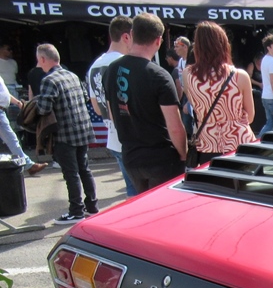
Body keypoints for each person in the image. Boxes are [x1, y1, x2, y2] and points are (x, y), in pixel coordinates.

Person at [105, 13, 187, 194]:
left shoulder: (111, 69)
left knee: (142, 205)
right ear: (158, 41)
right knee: (164, 208)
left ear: (132, 34)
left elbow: (112, 113)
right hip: (161, 159)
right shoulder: (159, 75)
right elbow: (175, 126)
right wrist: (183, 154)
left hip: (130, 156)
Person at [35, 44, 98, 225]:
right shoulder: (72, 75)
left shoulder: (49, 80)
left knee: (71, 173)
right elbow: (85, 97)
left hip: (64, 133)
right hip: (82, 130)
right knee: (84, 169)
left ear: (43, 59)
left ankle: (76, 211)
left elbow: (43, 108)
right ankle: (92, 206)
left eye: (38, 60)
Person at [183, 22, 255, 166]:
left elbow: (195, 107)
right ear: (223, 45)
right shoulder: (239, 75)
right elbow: (251, 116)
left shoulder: (188, 75)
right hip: (240, 143)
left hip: (207, 144)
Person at [87, 15, 136, 196]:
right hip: (132, 137)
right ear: (126, 36)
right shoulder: (125, 63)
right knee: (142, 193)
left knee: (131, 190)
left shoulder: (95, 65)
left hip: (113, 137)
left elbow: (96, 107)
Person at [0, 77, 47, 176]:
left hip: (2, 111)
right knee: (11, 139)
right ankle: (29, 165)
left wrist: (17, 102)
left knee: (11, 139)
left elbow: (4, 93)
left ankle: (29, 165)